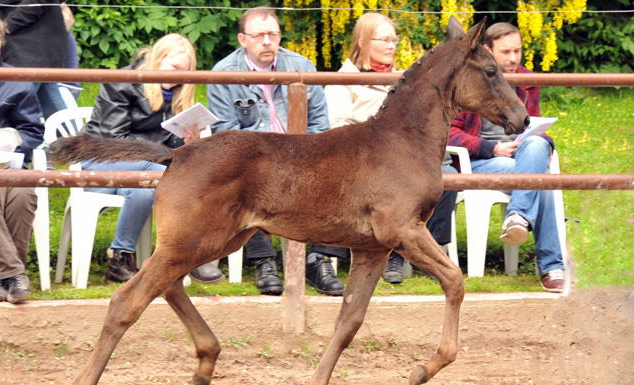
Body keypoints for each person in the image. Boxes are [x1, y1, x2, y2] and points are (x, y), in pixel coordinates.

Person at [206, 6, 346, 296]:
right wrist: (269, 157)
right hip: (253, 157)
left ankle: (318, 260)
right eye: (259, 35)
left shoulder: (302, 67)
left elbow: (320, 123)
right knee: (252, 179)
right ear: (243, 39)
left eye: (273, 34)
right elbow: (226, 133)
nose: (267, 41)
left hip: (303, 152)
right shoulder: (223, 73)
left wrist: (309, 155)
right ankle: (264, 261)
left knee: (340, 173)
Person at [325, 12, 458, 284]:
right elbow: (337, 126)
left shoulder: (406, 79)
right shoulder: (343, 79)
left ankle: (425, 250)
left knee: (445, 173)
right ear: (362, 42)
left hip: (402, 157)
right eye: (383, 39)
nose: (391, 46)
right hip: (364, 159)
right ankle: (397, 247)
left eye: (394, 40)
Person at [80, 33, 211, 284]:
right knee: (159, 174)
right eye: (174, 68)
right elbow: (112, 140)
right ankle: (193, 254)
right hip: (100, 159)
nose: (178, 77)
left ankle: (120, 260)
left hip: (146, 170)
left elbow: (171, 148)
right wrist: (164, 156)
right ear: (158, 59)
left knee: (143, 188)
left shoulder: (178, 91)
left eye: (185, 72)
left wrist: (187, 143)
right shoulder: (122, 81)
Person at [448, 22, 565, 293]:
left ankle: (517, 217)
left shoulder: (526, 80)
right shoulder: (468, 79)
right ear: (487, 50)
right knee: (541, 182)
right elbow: (448, 134)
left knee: (536, 143)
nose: (513, 59)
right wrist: (492, 149)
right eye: (505, 52)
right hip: (478, 161)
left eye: (517, 51)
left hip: (521, 158)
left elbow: (531, 123)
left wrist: (535, 140)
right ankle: (551, 267)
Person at [0, 12, 44, 303]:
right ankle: (12, 275)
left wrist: (11, 141)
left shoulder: (17, 81)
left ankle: (3, 281)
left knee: (25, 192)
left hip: (7, 164)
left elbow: (34, 131)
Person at [0, 0, 69, 120]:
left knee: (11, 107)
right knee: (52, 108)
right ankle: (77, 138)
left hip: (30, 46)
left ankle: (77, 138)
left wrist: (10, 24)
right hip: (28, 44)